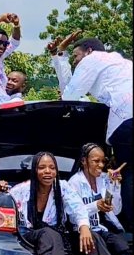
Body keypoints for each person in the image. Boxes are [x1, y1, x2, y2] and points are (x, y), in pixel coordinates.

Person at [0, 152, 132, 255]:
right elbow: (4, 195)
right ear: (35, 170)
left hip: (56, 234)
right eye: (42, 167)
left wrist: (84, 227)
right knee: (50, 234)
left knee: (90, 235)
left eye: (52, 168)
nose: (48, 171)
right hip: (31, 234)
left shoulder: (63, 187)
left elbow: (77, 207)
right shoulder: (23, 189)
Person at [56, 37, 133, 231]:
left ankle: (131, 226)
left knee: (129, 173)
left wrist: (60, 58)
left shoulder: (91, 60)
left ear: (88, 51)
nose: (75, 61)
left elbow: (70, 96)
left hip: (126, 121)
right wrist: (60, 57)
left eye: (76, 56)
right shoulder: (121, 63)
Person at [66, 143, 132, 255]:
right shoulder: (74, 182)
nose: (101, 165)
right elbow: (72, 214)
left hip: (105, 228)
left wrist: (115, 185)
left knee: (122, 247)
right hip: (85, 231)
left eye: (103, 161)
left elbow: (115, 209)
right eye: (96, 161)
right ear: (84, 161)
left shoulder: (104, 179)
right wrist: (96, 206)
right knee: (99, 242)